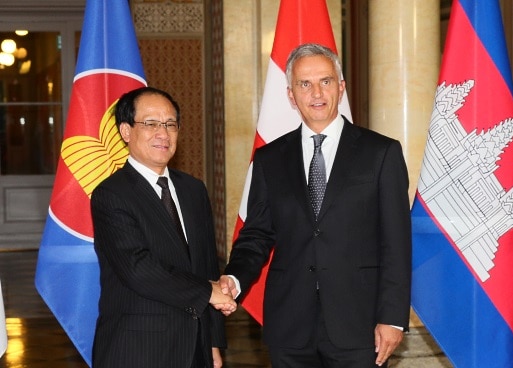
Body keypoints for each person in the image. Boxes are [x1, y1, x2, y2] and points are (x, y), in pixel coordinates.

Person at [220, 43, 412, 367]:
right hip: (289, 326)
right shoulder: (269, 159)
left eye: (325, 81)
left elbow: (396, 242)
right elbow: (256, 235)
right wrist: (235, 278)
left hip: (359, 324)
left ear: (341, 87)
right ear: (291, 95)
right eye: (304, 84)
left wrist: (392, 317)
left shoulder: (381, 153)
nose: (316, 93)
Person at [91, 86, 236, 368]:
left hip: (194, 347)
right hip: (139, 348)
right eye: (151, 124)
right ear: (126, 131)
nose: (163, 133)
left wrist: (214, 342)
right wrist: (209, 292)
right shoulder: (111, 194)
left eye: (170, 124)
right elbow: (138, 269)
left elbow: (206, 265)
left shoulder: (193, 189)